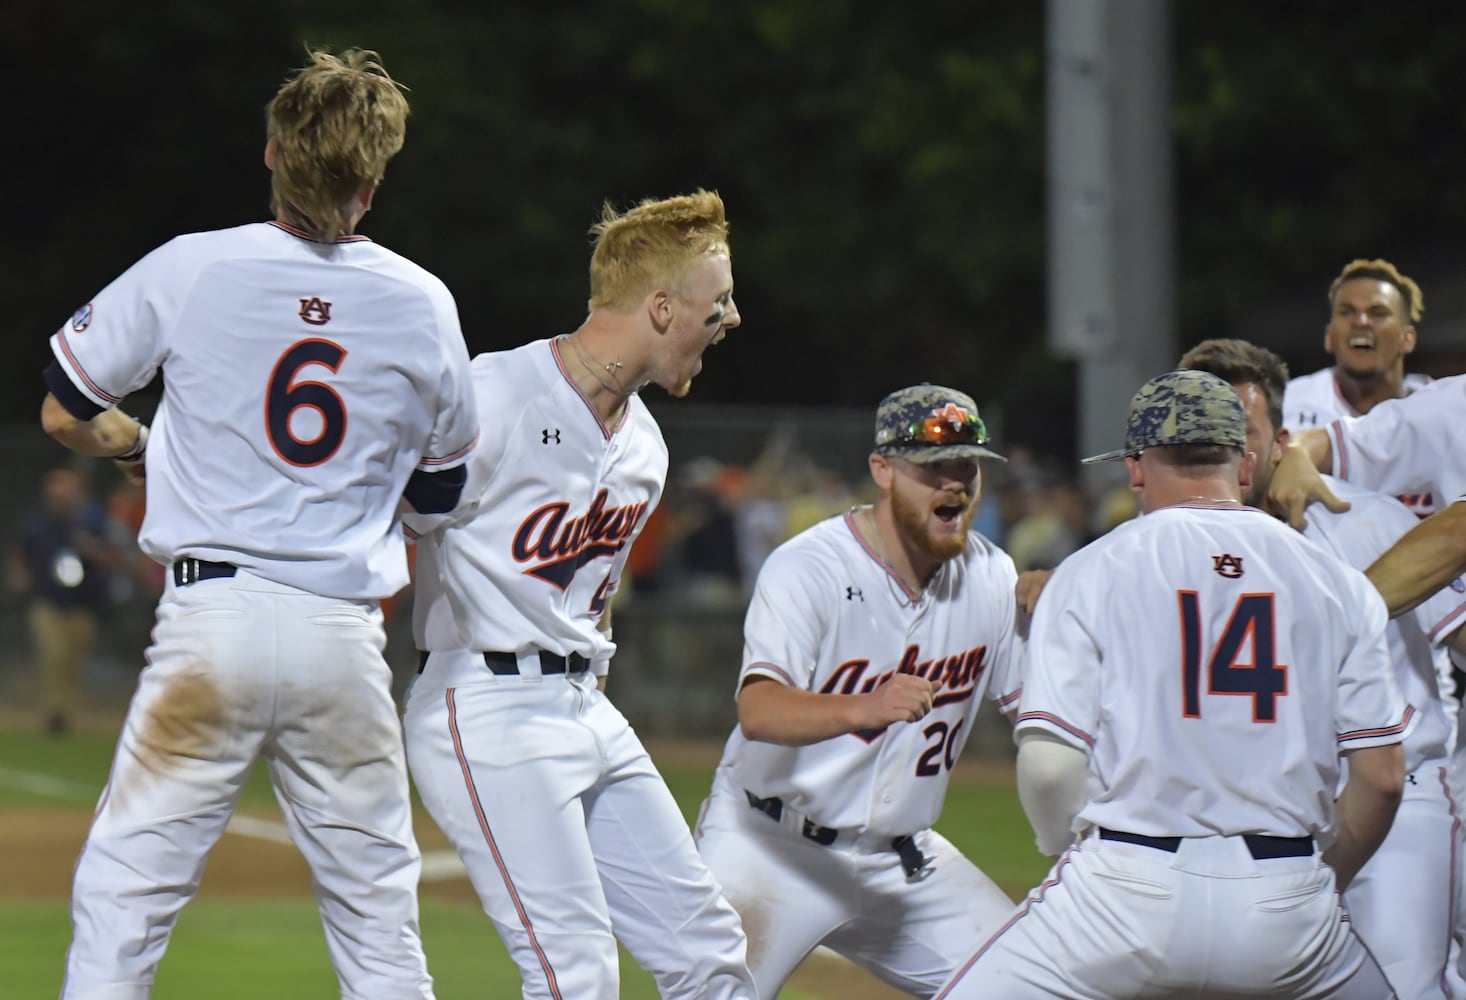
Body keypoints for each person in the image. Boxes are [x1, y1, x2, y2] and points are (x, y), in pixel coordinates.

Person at [41, 48, 479, 999]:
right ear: (373, 181)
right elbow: (439, 500)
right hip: (341, 636)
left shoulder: (194, 266)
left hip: (213, 624)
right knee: (377, 922)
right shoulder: (424, 302)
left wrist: (141, 452)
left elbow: (64, 407)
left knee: (126, 903)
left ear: (274, 151)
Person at [938, 370, 1410, 999]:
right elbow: (1381, 777)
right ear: (1244, 466)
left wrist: (1065, 850)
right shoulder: (1339, 582)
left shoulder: (1088, 572)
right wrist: (1320, 880)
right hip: (1286, 901)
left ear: (1136, 469)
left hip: (1125, 892)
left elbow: (1051, 770)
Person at [401, 189, 755, 1000]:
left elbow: (596, 598)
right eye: (721, 300)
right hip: (484, 705)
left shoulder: (646, 446)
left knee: (709, 955)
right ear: (662, 307)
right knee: (575, 974)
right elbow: (386, 514)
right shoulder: (492, 396)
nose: (731, 318)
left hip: (586, 705)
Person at [692, 384, 1025, 998]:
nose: (955, 482)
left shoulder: (990, 576)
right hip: (768, 846)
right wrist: (865, 706)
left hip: (900, 865)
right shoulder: (810, 568)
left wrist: (1076, 599)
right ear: (883, 471)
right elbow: (759, 709)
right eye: (932, 468)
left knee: (1034, 986)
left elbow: (1036, 713)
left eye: (967, 466)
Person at [1182, 337, 1466, 997]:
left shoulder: (1367, 521)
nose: (1222, 448)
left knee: (1402, 986)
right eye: (1199, 429)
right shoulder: (1156, 546)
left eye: (1239, 431)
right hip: (1254, 812)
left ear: (1280, 440)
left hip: (1402, 801)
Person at [1283, 257, 1436, 519]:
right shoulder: (1288, 404)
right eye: (1347, 311)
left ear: (1407, 339)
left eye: (1378, 312)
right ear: (1329, 337)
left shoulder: (1443, 411)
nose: (1361, 321)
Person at [11, 467, 118, 736]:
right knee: (54, 654)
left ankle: (65, 711)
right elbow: (19, 552)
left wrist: (91, 550)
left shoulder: (92, 523)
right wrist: (20, 574)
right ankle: (55, 713)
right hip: (47, 602)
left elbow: (112, 556)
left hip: (83, 605)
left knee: (72, 661)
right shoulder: (35, 523)